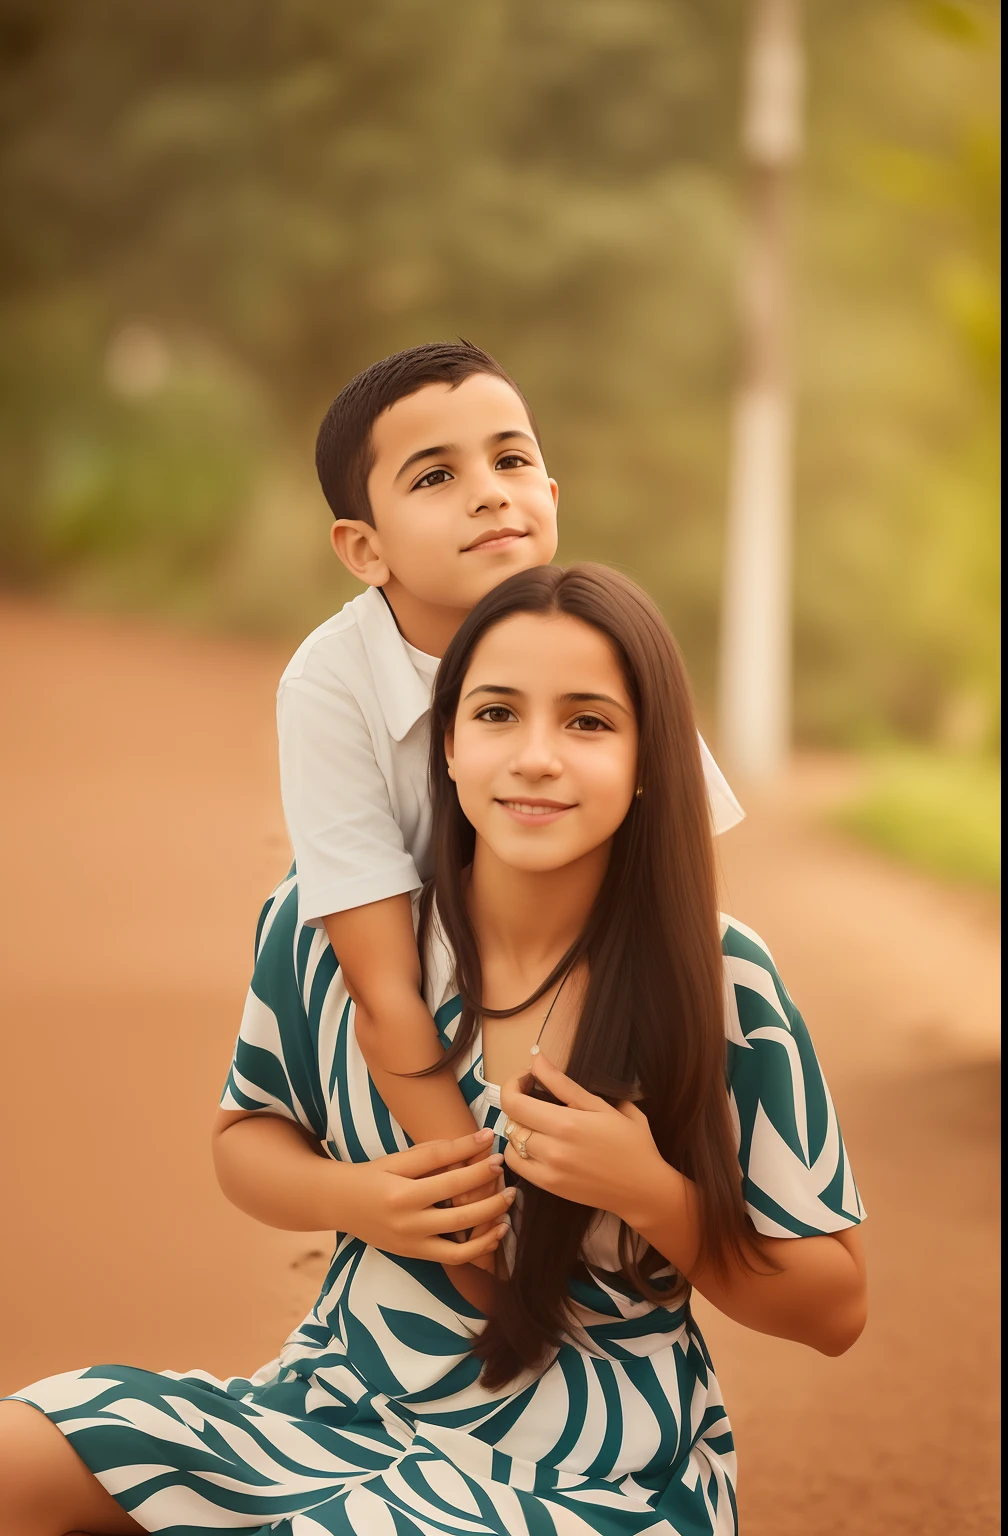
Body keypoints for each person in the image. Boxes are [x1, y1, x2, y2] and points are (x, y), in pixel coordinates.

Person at [0, 564, 867, 1535]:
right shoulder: (334, 923)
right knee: (19, 1456)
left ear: (648, 761)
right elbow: (245, 1138)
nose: (535, 757)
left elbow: (834, 1310)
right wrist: (359, 1200)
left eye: (586, 722)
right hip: (334, 1412)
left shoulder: (719, 978)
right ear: (446, 746)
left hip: (597, 1467)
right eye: (497, 715)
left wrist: (650, 1193)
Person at [267, 340, 743, 1254]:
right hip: (404, 993)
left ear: (551, 500)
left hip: (565, 992)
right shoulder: (331, 681)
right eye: (436, 475)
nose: (490, 491)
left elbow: (681, 891)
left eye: (512, 459)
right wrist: (479, 1219)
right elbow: (378, 987)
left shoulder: (600, 639)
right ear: (364, 548)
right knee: (303, 919)